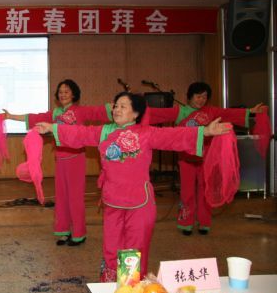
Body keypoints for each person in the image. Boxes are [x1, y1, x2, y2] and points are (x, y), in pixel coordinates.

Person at [35, 91, 232, 281]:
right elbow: (80, 133)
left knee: (134, 250)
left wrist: (206, 131)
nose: (117, 110)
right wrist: (52, 128)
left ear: (136, 113)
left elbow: (173, 136)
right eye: (116, 106)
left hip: (139, 202)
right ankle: (110, 289)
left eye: (123, 106)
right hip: (112, 200)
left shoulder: (147, 133)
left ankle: (130, 291)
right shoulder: (104, 131)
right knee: (111, 248)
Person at [2, 79, 112, 246]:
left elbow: (100, 112)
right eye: (60, 92)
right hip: (60, 159)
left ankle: (79, 233)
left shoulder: (81, 111)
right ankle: (64, 231)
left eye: (66, 91)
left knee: (75, 198)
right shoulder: (55, 114)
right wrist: (10, 116)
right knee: (61, 197)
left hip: (76, 158)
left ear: (74, 94)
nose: (63, 94)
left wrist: (117, 106)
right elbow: (34, 117)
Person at [146, 81, 265, 236]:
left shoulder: (211, 111)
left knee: (205, 191)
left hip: (206, 159)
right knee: (187, 192)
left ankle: (204, 222)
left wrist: (251, 111)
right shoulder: (180, 111)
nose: (201, 100)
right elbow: (157, 114)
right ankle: (186, 224)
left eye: (204, 97)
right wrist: (133, 110)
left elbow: (229, 113)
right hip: (186, 159)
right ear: (189, 97)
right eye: (198, 96)